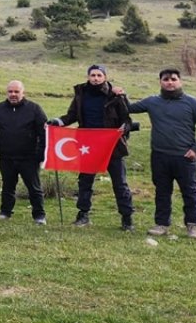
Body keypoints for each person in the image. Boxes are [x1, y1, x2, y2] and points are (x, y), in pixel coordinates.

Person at [125, 68, 196, 239]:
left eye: (173, 79)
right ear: (160, 82)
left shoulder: (193, 103)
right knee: (162, 191)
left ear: (180, 81)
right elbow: (128, 108)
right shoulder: (152, 102)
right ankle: (161, 224)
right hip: (159, 156)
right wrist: (121, 94)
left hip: (185, 157)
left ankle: (193, 226)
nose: (170, 82)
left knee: (190, 192)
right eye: (166, 79)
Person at [48, 64, 135, 230]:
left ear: (105, 77)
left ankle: (127, 218)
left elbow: (127, 119)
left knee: (120, 182)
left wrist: (125, 128)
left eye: (99, 75)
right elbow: (71, 115)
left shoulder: (115, 95)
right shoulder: (81, 94)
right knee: (85, 181)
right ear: (88, 77)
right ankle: (83, 215)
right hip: (87, 145)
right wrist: (58, 122)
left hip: (112, 146)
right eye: (93, 75)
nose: (95, 78)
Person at [0, 80, 47, 224]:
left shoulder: (34, 109)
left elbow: (44, 134)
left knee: (34, 188)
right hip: (7, 157)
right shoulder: (0, 108)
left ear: (23, 93)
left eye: (16, 92)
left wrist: (41, 154)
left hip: (29, 158)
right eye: (10, 92)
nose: (13, 94)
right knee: (7, 186)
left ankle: (39, 216)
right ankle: (5, 212)